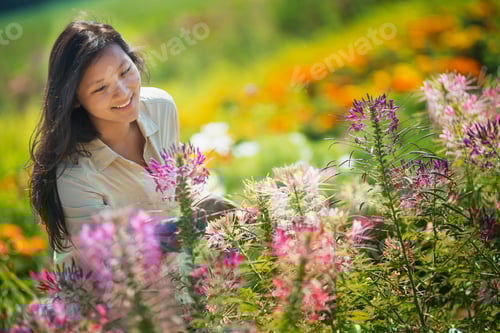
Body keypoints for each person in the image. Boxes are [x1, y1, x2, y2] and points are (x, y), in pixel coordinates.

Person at [30, 21, 233, 265]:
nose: (123, 92)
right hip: (108, 293)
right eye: (101, 88)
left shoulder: (160, 108)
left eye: (125, 71)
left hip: (173, 276)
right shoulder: (74, 175)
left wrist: (208, 207)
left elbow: (175, 194)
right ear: (74, 100)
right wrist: (157, 236)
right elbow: (105, 259)